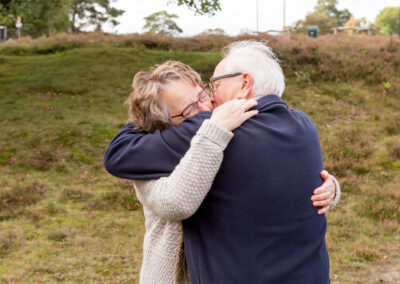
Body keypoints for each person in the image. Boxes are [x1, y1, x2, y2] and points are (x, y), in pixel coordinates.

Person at [105, 45, 340, 283]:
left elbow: (118, 154)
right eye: (191, 106)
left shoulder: (208, 127)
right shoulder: (303, 125)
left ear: (244, 83)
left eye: (213, 87)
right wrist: (329, 185)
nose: (211, 101)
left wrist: (148, 116)